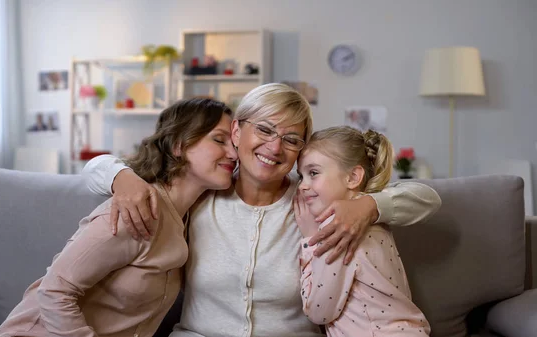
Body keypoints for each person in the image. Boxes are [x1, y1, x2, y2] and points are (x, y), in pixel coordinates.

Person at [82, 83, 441, 337]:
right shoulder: (203, 193)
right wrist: (123, 178)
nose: (275, 146)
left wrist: (369, 205)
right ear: (237, 131)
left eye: (291, 139)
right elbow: (94, 168)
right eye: (265, 130)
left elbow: (427, 198)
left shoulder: (313, 202)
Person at [0, 98, 238, 337]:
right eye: (219, 140)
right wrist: (121, 176)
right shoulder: (135, 211)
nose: (233, 154)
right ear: (178, 145)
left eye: (235, 145)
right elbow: (54, 291)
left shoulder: (187, 217)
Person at [294, 126, 430, 336]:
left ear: (353, 177)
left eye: (313, 173)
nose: (302, 185)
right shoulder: (375, 216)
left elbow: (319, 312)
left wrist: (309, 241)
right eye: (301, 176)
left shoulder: (337, 229)